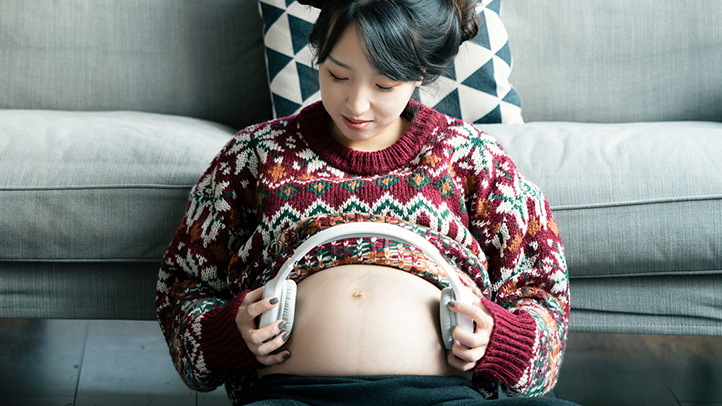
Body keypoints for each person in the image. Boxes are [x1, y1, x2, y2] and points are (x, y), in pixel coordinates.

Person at [156, 0, 574, 404]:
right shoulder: (254, 154)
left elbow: (544, 294)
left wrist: (500, 339)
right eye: (337, 76)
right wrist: (227, 335)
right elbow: (181, 285)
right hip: (287, 394)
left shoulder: (472, 157)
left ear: (420, 74)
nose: (356, 105)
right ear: (318, 55)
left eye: (384, 85)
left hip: (445, 397)